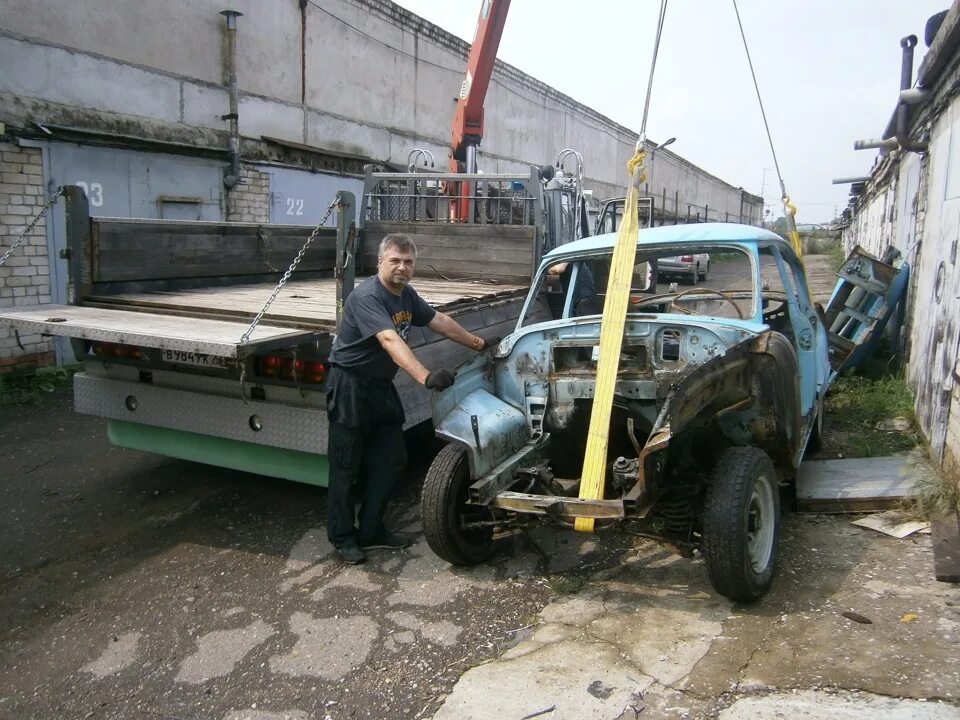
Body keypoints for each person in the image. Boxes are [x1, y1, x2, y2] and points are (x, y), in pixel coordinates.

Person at [324, 233, 498, 565]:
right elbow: (389, 339)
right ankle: (342, 537)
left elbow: (439, 321)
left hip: (378, 388)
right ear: (380, 262)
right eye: (395, 260)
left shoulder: (406, 296)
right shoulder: (367, 298)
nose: (402, 267)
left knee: (391, 460)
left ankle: (371, 531)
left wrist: (478, 343)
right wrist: (425, 376)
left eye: (408, 262)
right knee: (345, 467)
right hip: (349, 387)